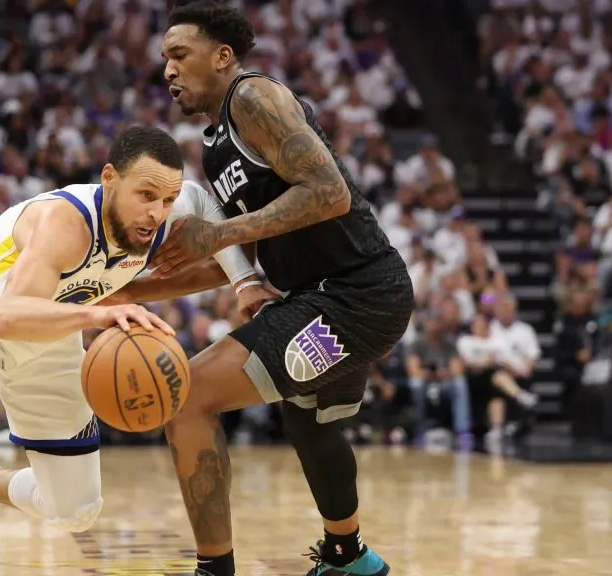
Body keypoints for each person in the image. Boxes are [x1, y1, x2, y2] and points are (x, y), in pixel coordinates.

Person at [0, 126, 271, 575]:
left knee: (75, 508)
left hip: (49, 330)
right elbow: (9, 316)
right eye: (145, 195)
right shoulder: (65, 222)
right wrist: (97, 317)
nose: (157, 212)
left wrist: (243, 280)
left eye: (165, 201)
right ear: (109, 178)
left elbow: (203, 204)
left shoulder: (161, 216)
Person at [115, 3, 414, 575]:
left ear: (222, 56)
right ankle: (350, 560)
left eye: (179, 55)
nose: (168, 71)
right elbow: (226, 257)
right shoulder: (215, 145)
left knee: (186, 397)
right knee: (311, 421)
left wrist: (218, 233)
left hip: (356, 293)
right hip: (330, 299)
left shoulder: (254, 97)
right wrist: (126, 293)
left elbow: (330, 192)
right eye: (163, 61)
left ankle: (214, 568)